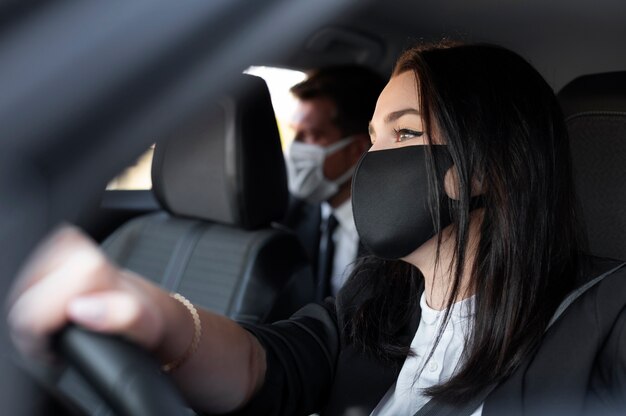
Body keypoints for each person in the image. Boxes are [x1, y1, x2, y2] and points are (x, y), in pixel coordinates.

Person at [8, 43, 626, 416]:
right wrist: (158, 319)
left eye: (404, 135)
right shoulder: (379, 296)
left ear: (492, 164)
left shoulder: (605, 320)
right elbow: (265, 365)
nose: (371, 163)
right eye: (374, 138)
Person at [281, 66, 385, 300]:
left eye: (312, 136)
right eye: (295, 135)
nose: (295, 149)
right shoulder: (289, 216)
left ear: (356, 149)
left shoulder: (391, 232)